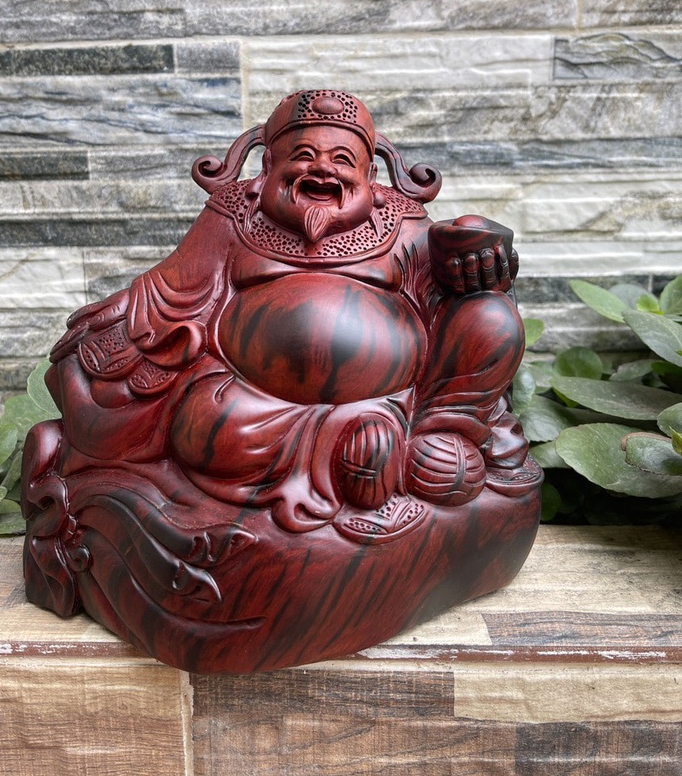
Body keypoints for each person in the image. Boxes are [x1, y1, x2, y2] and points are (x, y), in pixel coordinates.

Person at [40, 89, 527, 532]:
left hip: (397, 396)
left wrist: (477, 253)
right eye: (304, 156)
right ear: (267, 166)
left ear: (371, 176)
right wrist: (105, 336)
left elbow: (447, 299)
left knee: (490, 315)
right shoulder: (235, 213)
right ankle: (367, 452)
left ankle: (440, 434)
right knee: (207, 428)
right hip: (258, 411)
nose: (323, 171)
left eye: (343, 160)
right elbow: (169, 293)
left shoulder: (400, 221)